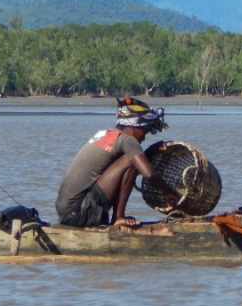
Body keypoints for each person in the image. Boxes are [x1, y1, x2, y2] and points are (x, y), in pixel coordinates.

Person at [55, 97, 181, 228]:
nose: (143, 137)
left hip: (66, 211)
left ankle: (117, 216)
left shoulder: (107, 134)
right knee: (131, 161)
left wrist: (150, 152)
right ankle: (118, 217)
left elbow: (120, 168)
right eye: (144, 131)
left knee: (132, 160)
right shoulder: (127, 140)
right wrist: (167, 192)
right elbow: (149, 175)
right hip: (79, 212)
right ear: (133, 127)